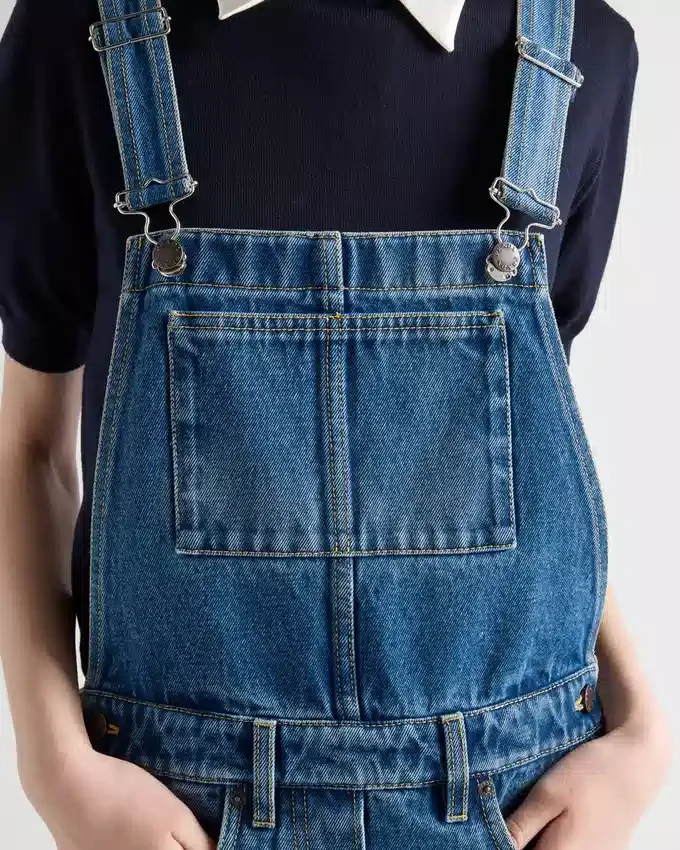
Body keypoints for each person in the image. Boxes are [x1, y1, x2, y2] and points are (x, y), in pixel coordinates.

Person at [0, 0, 670, 848]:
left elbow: (528, 453)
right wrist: (53, 763)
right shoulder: (81, 30)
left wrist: (645, 730)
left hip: (518, 794)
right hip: (177, 802)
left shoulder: (581, 52)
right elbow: (31, 447)